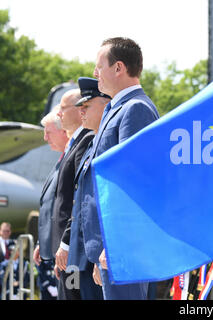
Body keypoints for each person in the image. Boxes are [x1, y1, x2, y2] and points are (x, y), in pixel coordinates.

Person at [73, 37, 159, 300]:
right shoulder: (117, 108)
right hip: (110, 246)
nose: (95, 74)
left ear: (119, 68)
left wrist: (114, 244)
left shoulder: (136, 109)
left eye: (99, 66)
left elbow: (132, 184)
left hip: (123, 247)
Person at [63, 77, 111, 300]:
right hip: (79, 253)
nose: (81, 112)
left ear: (105, 102)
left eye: (87, 106)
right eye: (79, 107)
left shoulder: (101, 142)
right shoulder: (93, 144)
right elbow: (79, 201)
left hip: (92, 254)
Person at [48, 89, 96, 300]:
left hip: (74, 252)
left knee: (72, 296)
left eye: (63, 108)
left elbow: (77, 196)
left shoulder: (85, 140)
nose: (58, 113)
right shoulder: (74, 144)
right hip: (67, 252)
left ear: (78, 111)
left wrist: (65, 243)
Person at [33, 105, 68, 300]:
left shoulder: (71, 159)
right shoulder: (61, 160)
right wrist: (42, 241)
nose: (45, 138)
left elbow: (67, 207)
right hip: (54, 252)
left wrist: (62, 246)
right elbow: (50, 206)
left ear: (63, 131)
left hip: (65, 254)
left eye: (48, 132)